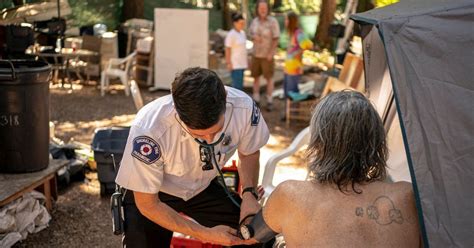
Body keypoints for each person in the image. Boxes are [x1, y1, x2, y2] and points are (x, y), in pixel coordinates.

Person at [115, 67, 270, 247]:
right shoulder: (149, 130)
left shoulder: (244, 108)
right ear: (178, 114)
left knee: (256, 234)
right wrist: (206, 234)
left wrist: (249, 194)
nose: (209, 140)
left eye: (216, 131)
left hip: (201, 186)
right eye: (199, 135)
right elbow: (148, 204)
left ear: (225, 101)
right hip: (153, 191)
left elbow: (249, 152)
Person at [260, 91, 421, 247]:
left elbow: (249, 236)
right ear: (376, 141)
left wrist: (249, 198)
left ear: (319, 142)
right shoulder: (409, 196)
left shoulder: (290, 194)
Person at [249, 0, 280, 111]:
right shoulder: (254, 21)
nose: (262, 10)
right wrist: (254, 37)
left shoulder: (273, 21)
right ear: (257, 9)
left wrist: (271, 53)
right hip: (256, 54)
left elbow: (276, 38)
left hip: (268, 56)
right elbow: (250, 33)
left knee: (269, 78)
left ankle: (269, 100)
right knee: (255, 78)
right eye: (260, 8)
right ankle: (256, 99)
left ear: (267, 9)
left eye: (264, 8)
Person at [225, 13, 248, 91]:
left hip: (242, 64)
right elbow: (227, 49)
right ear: (235, 23)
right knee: (236, 87)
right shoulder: (231, 34)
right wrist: (228, 63)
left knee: (240, 86)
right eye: (241, 23)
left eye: (243, 23)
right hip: (235, 65)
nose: (242, 25)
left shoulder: (243, 33)